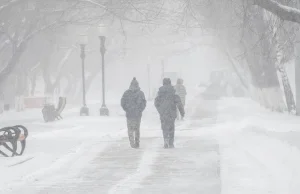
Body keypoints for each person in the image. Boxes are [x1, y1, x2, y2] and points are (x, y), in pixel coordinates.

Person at [155, 78, 185, 148]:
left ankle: (165, 139)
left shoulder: (160, 94)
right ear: (170, 83)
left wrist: (160, 110)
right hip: (172, 113)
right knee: (171, 127)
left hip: (163, 113)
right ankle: (171, 143)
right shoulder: (173, 93)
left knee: (164, 127)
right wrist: (182, 112)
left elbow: (156, 103)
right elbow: (179, 103)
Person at [121, 77, 146, 148]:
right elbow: (144, 103)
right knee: (137, 129)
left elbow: (122, 102)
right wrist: (140, 109)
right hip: (137, 114)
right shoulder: (141, 93)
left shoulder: (126, 93)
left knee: (130, 129)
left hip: (129, 114)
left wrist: (127, 109)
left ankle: (132, 143)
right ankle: (137, 142)